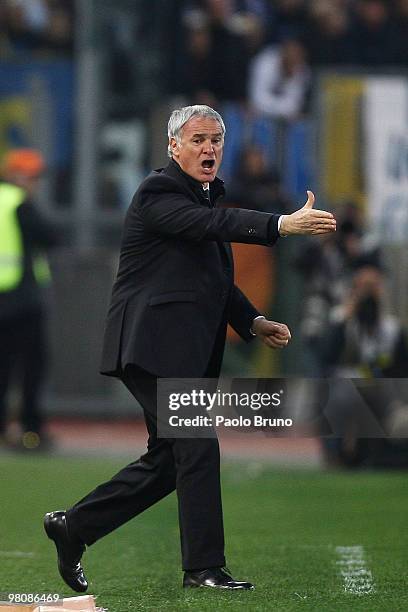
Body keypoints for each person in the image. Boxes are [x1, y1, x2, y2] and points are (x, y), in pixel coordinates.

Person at [44, 105, 336, 591]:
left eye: (217, 139)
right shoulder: (159, 191)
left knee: (167, 464)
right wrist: (280, 225)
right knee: (198, 447)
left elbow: (212, 278)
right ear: (173, 146)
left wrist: (254, 320)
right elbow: (212, 230)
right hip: (152, 348)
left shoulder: (200, 200)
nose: (210, 148)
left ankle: (74, 527)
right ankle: (203, 569)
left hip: (172, 352)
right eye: (198, 139)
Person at [0, 148, 58, 450]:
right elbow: (50, 236)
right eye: (31, 176)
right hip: (21, 300)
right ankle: (31, 429)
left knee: (3, 368)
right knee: (32, 366)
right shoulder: (19, 204)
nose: (34, 183)